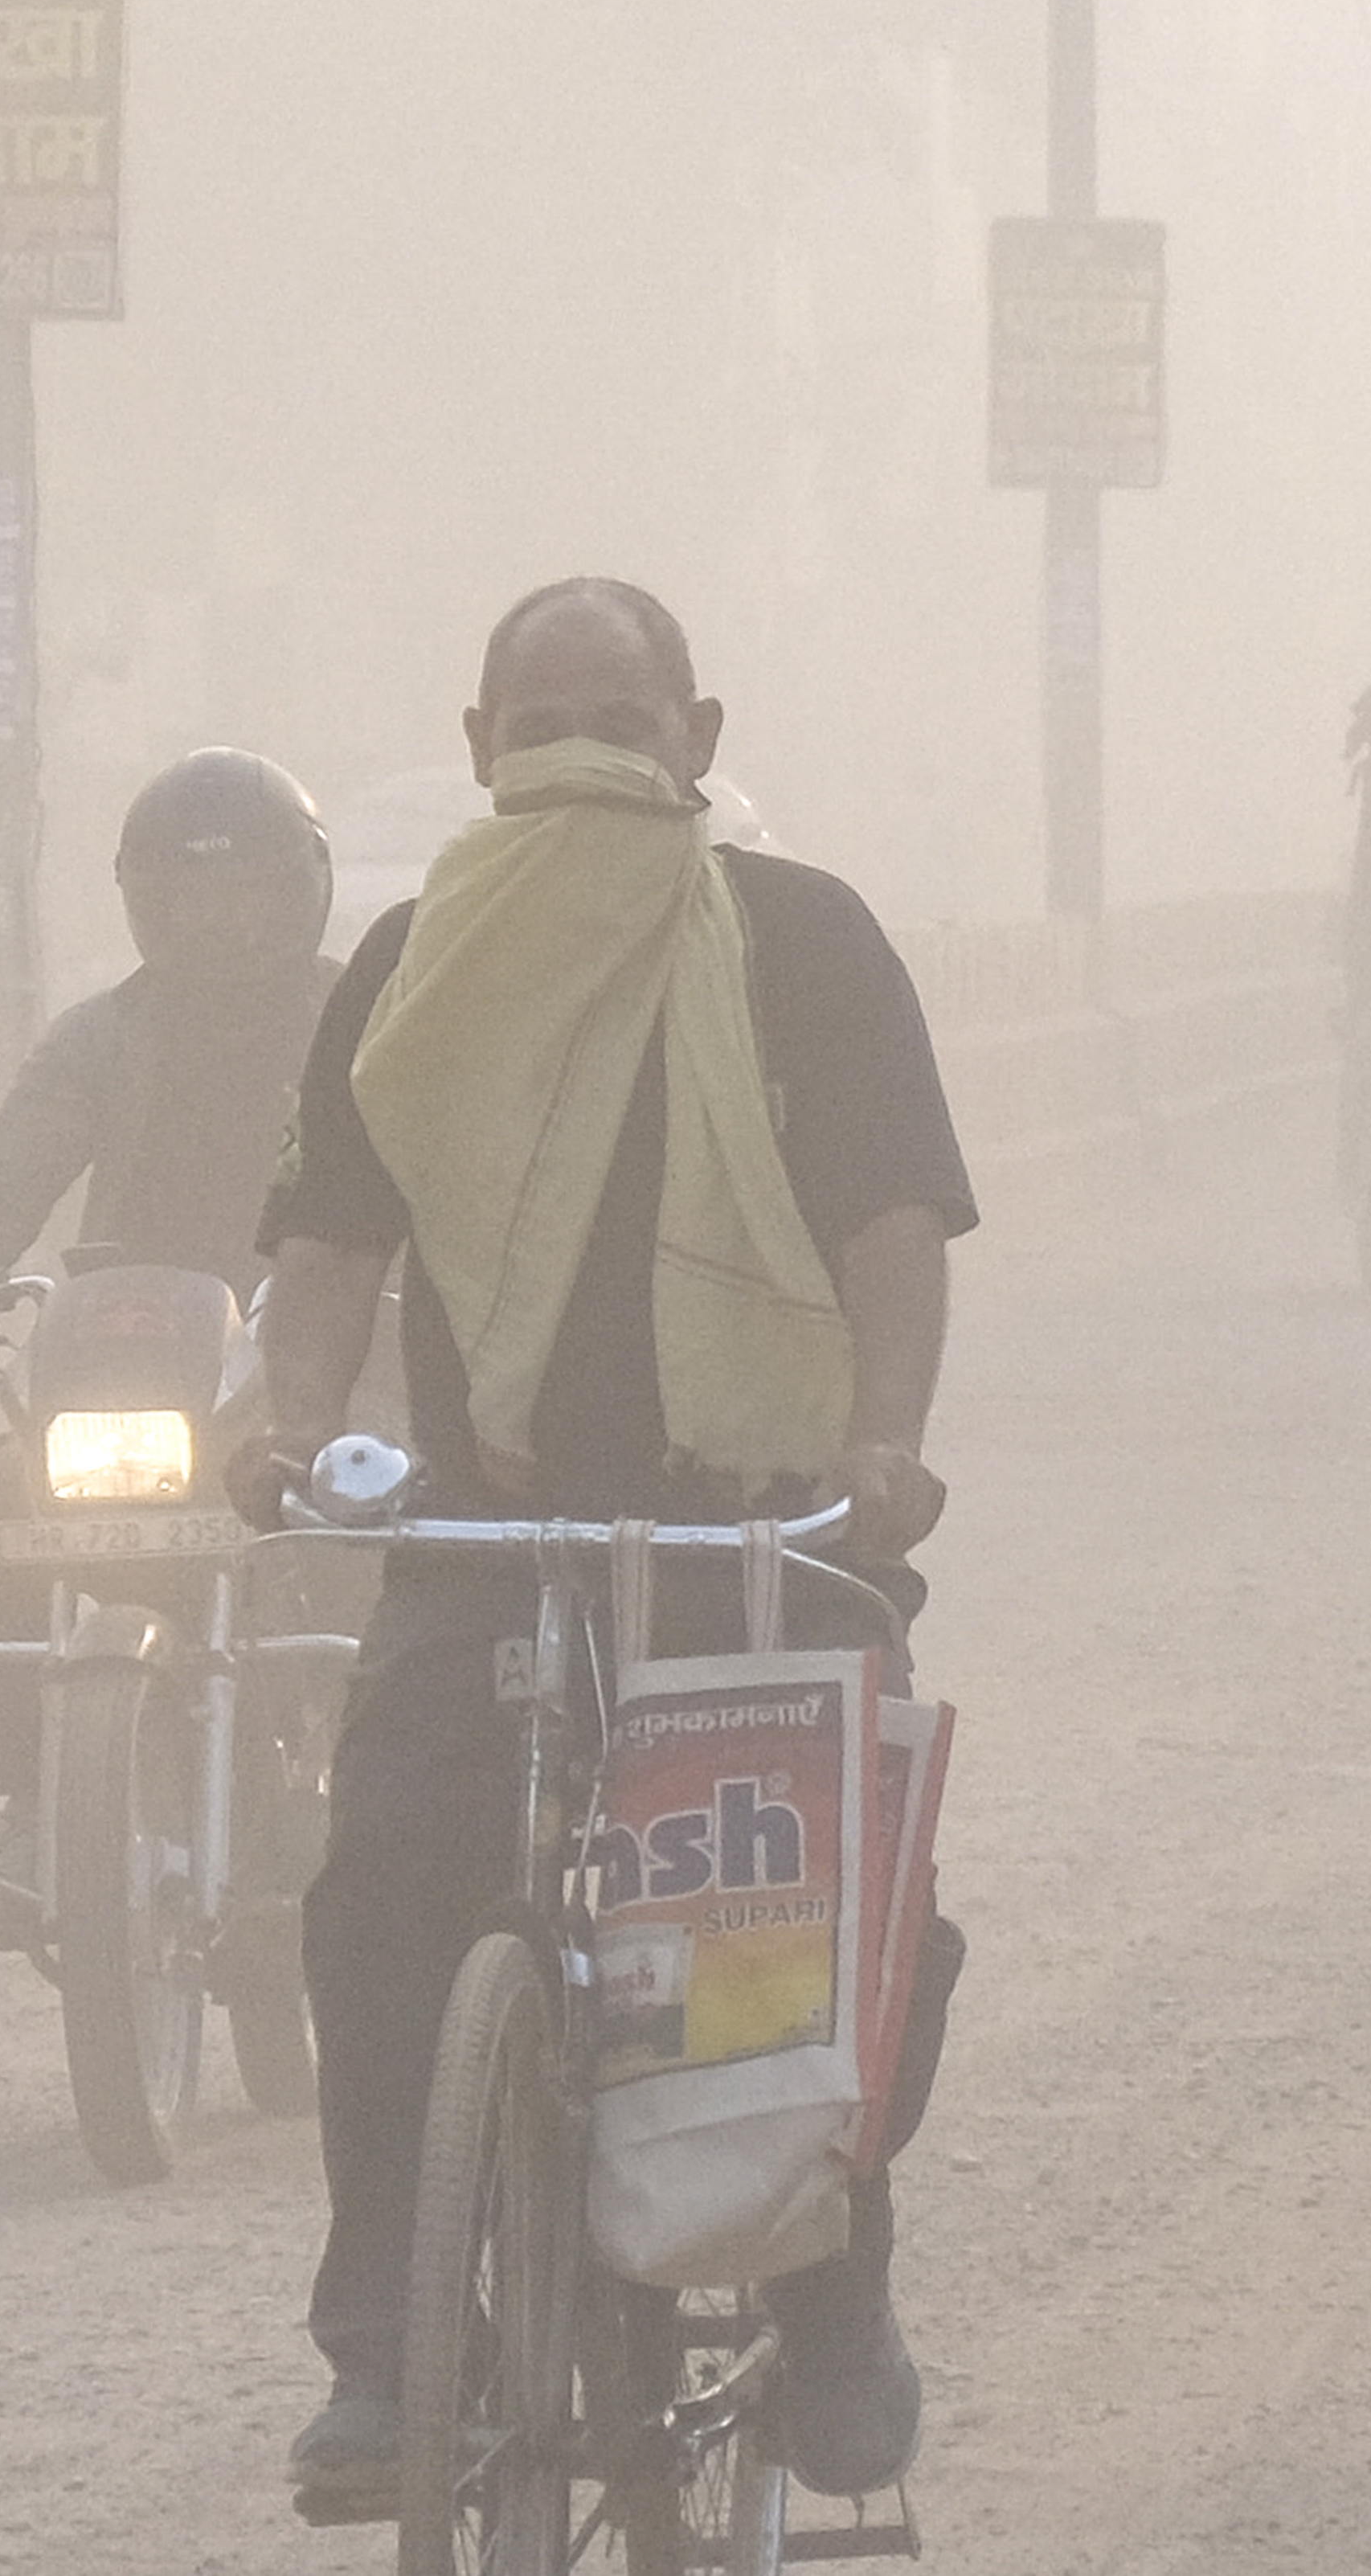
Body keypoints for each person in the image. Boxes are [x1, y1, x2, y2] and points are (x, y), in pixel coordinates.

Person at [235, 579, 972, 2514]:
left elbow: (894, 1233)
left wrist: (882, 1448)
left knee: (829, 1938)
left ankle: (828, 2308)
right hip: (495, 1535)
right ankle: (392, 2352)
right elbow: (327, 1245)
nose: (577, 748)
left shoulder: (803, 943)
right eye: (538, 715)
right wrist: (284, 1421)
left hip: (759, 1536)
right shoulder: (409, 962)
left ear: (695, 741)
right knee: (385, 1889)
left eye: (618, 715)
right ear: (477, 748)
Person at [0, 749, 341, 1898]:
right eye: (189, 896)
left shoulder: (360, 1020)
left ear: (295, 892)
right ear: (146, 905)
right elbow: (15, 1169)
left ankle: (365, 1773)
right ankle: (36, 1789)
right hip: (138, 1360)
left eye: (242, 894)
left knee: (384, 1521)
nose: (217, 922)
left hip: (318, 1351)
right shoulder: (99, 1037)